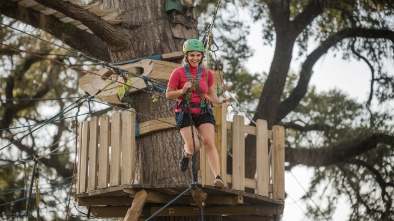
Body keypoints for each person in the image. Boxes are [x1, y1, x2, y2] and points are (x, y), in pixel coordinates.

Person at [166, 39, 227, 188]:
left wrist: (218, 101)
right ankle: (186, 154)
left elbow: (210, 93)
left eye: (198, 55)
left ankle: (218, 177)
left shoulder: (207, 74)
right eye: (192, 55)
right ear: (186, 56)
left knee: (209, 141)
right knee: (194, 146)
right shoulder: (178, 73)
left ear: (201, 56)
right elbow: (169, 94)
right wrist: (182, 91)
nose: (195, 58)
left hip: (203, 110)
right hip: (185, 110)